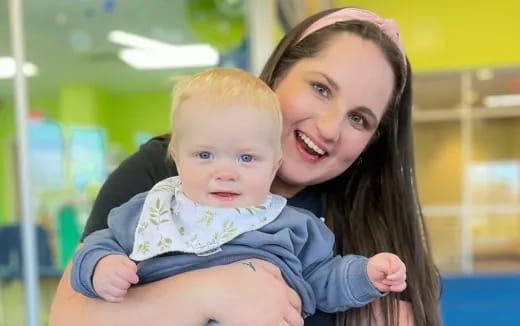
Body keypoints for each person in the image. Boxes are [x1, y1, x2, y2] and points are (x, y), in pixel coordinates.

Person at [50, 7, 441, 326]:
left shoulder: (311, 226)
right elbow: (72, 312)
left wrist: (367, 280)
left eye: (359, 119)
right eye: (320, 88)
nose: (329, 128)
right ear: (279, 73)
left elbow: (329, 279)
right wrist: (210, 292)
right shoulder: (160, 183)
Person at [69, 68, 407, 323]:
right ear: (175, 155)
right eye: (204, 155)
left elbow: (323, 278)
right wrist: (102, 266)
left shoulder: (291, 226)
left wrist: (365, 275)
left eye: (246, 158)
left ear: (274, 165)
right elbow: (99, 246)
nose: (225, 172)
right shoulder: (149, 211)